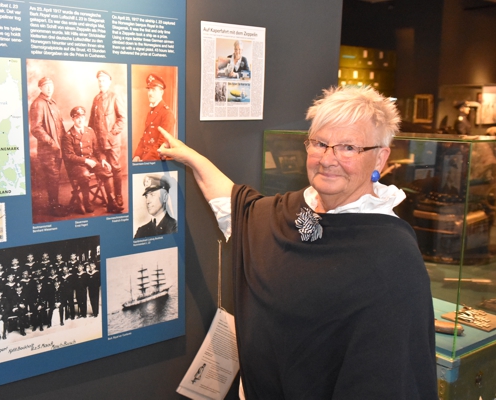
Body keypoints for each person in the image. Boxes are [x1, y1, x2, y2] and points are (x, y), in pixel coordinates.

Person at [157, 86, 438, 399]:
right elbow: (236, 204)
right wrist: (193, 158)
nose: (328, 159)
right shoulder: (285, 213)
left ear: (380, 158)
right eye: (320, 143)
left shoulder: (392, 253)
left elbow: (393, 374)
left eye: (348, 148)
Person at [62, 106, 123, 214]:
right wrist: (85, 161)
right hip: (78, 165)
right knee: (85, 174)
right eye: (77, 118)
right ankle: (86, 202)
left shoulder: (89, 131)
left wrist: (103, 160)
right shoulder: (68, 135)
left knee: (106, 170)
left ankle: (112, 203)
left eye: (82, 117)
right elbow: (69, 156)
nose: (80, 120)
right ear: (72, 119)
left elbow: (97, 150)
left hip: (92, 161)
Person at [88, 70, 126, 209]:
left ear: (109, 82)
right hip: (99, 143)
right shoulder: (96, 99)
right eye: (99, 80)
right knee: (105, 169)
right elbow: (91, 122)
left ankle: (118, 196)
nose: (101, 83)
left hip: (113, 141)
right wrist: (90, 138)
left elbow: (122, 119)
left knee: (115, 168)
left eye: (104, 80)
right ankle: (111, 201)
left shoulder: (114, 97)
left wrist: (111, 135)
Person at [29, 77, 66, 215]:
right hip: (47, 151)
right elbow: (36, 128)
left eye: (51, 85)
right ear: (40, 88)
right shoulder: (38, 104)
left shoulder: (52, 103)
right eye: (46, 86)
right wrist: (51, 142)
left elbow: (60, 127)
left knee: (55, 177)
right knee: (52, 177)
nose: (49, 88)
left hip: (57, 149)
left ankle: (55, 204)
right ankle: (54, 207)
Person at [132, 74, 176, 162]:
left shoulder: (167, 113)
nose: (150, 93)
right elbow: (145, 137)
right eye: (149, 90)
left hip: (158, 160)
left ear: (161, 92)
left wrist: (144, 161)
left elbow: (161, 144)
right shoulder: (151, 112)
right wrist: (137, 155)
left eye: (153, 90)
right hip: (146, 157)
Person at [134, 174, 177, 238]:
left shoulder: (175, 226)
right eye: (146, 196)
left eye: (152, 194)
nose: (147, 201)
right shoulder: (141, 231)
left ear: (165, 197)